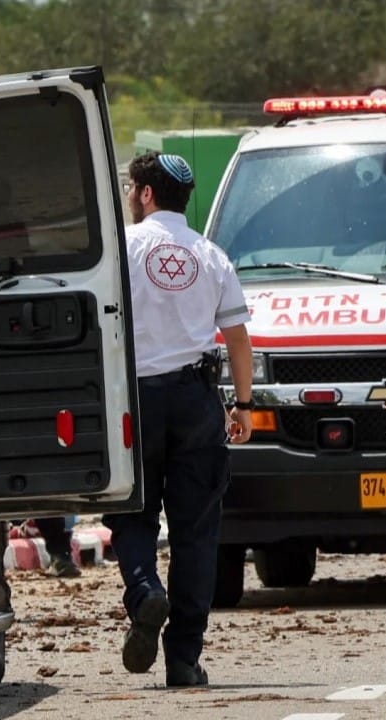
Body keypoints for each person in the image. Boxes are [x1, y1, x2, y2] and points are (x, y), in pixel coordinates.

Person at [103, 152, 254, 688]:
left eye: (131, 187)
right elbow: (237, 340)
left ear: (146, 194)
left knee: (131, 511)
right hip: (196, 401)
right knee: (195, 531)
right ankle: (184, 659)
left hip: (134, 400)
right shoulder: (211, 255)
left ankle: (145, 591)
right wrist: (243, 406)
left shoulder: (120, 248)